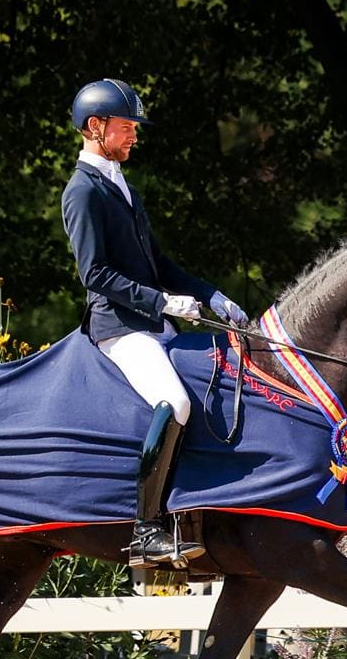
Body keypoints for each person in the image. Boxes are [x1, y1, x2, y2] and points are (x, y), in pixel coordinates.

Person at [61, 78, 249, 568]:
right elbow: (95, 274)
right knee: (177, 401)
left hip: (151, 321)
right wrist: (162, 303)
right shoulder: (82, 191)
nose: (134, 136)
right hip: (118, 327)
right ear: (94, 127)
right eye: (126, 128)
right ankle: (146, 530)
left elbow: (158, 261)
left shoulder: (120, 185)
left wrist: (212, 295)